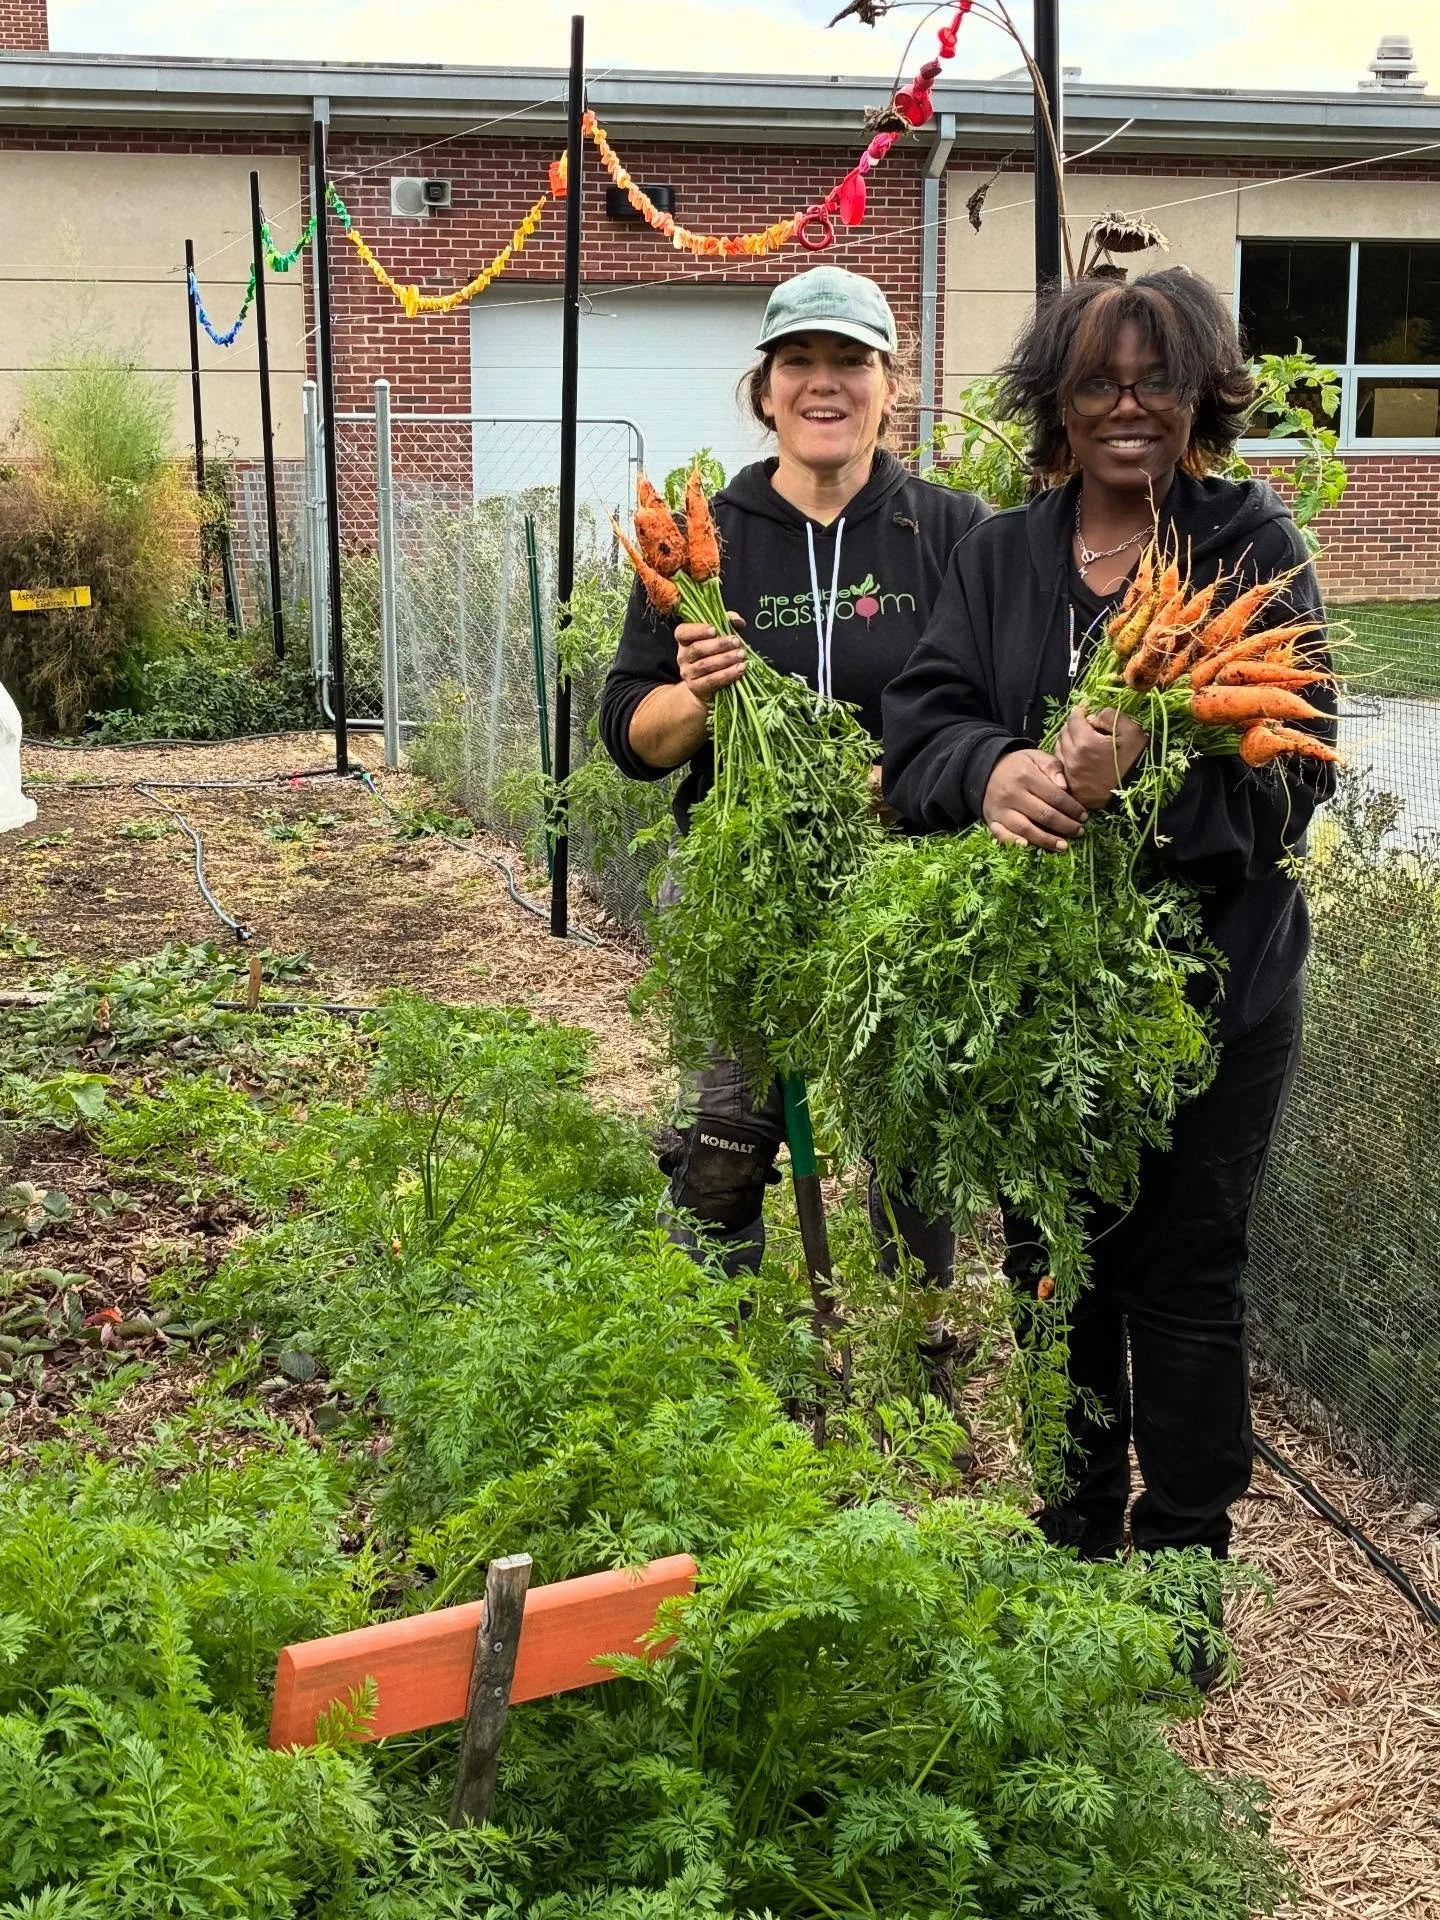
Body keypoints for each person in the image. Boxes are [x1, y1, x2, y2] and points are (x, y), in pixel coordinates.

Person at [881, 268, 1336, 1672]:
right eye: (1096, 382)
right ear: (1056, 405)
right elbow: (921, 725)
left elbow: (1296, 772)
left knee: (1185, 1273)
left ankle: (1183, 1570)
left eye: (1155, 380)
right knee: (1052, 1262)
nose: (1127, 405)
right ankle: (1070, 1520)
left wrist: (1145, 778)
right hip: (1040, 998)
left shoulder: (1247, 542)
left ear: (1201, 395)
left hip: (1215, 989)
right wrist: (997, 770)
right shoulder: (1004, 556)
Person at [600, 264, 989, 1292]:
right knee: (725, 1142)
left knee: (912, 1141)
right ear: (764, 389)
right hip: (741, 883)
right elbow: (628, 737)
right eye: (799, 361)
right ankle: (717, 1367)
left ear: (891, 385)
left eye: (850, 361)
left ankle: (920, 1351)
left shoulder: (956, 532)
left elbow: (1000, 713)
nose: (825, 384)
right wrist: (698, 695)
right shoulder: (699, 540)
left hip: (907, 875)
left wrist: (906, 780)